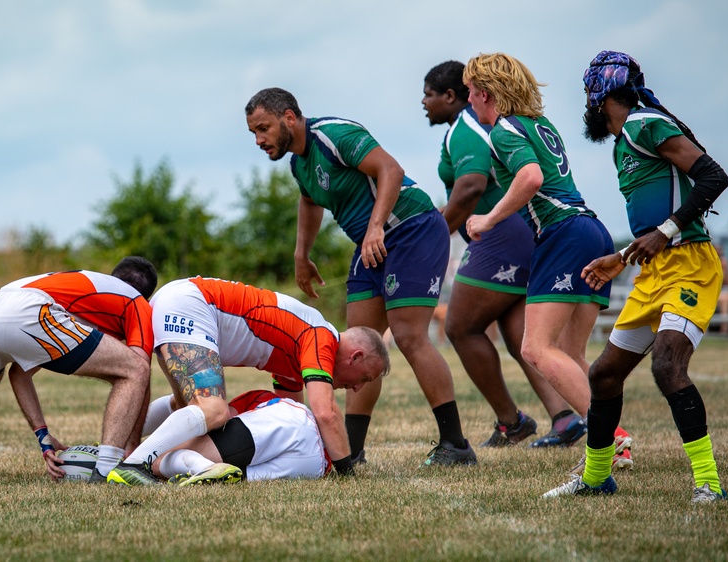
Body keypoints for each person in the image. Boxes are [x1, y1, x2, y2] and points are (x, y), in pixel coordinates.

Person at [244, 88, 476, 467]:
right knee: (356, 345)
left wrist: (375, 226)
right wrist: (301, 255)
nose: (259, 140)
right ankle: (350, 453)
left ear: (289, 117)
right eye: (254, 132)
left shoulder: (334, 134)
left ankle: (456, 444)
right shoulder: (299, 165)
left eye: (263, 128)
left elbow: (391, 170)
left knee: (408, 335)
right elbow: (308, 201)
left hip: (411, 228)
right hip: (374, 240)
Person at [544, 51, 728, 502]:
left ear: (599, 95)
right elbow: (653, 225)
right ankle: (595, 478)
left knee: (667, 366)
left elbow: (713, 176)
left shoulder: (644, 123)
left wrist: (665, 233)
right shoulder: (625, 141)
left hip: (689, 264)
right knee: (604, 373)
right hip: (653, 270)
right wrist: (621, 257)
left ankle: (709, 483)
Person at [462, 53, 635, 469]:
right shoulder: (539, 124)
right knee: (571, 352)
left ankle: (608, 438)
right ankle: (617, 440)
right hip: (592, 230)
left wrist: (488, 217)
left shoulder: (504, 129)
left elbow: (531, 178)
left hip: (564, 234)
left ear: (485, 94)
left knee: (536, 349)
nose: (468, 99)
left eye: (470, 91)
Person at [422, 60, 583, 448]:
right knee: (519, 335)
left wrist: (435, 234)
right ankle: (564, 418)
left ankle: (511, 421)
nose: (423, 102)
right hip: (524, 231)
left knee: (460, 326)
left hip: (502, 236)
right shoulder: (482, 125)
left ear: (452, 96)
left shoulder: (463, 129)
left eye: (428, 93)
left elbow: (472, 184)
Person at [106, 276, 391, 486]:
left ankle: (113, 447)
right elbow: (325, 412)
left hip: (179, 300)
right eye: (364, 377)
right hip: (191, 304)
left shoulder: (301, 352)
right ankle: (134, 462)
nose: (356, 388)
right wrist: (346, 473)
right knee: (213, 410)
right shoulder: (321, 336)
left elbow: (293, 413)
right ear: (355, 356)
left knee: (187, 408)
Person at [0, 257, 157, 485]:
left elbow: (19, 373)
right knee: (135, 369)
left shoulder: (92, 288)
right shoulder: (137, 302)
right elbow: (140, 371)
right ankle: (107, 471)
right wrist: (132, 447)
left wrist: (44, 438)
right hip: (30, 310)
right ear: (146, 295)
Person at [151, 390, 330, 485]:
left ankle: (203, 467)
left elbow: (220, 419)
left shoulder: (259, 398)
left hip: (289, 420)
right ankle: (208, 469)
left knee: (156, 461)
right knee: (237, 475)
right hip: (319, 465)